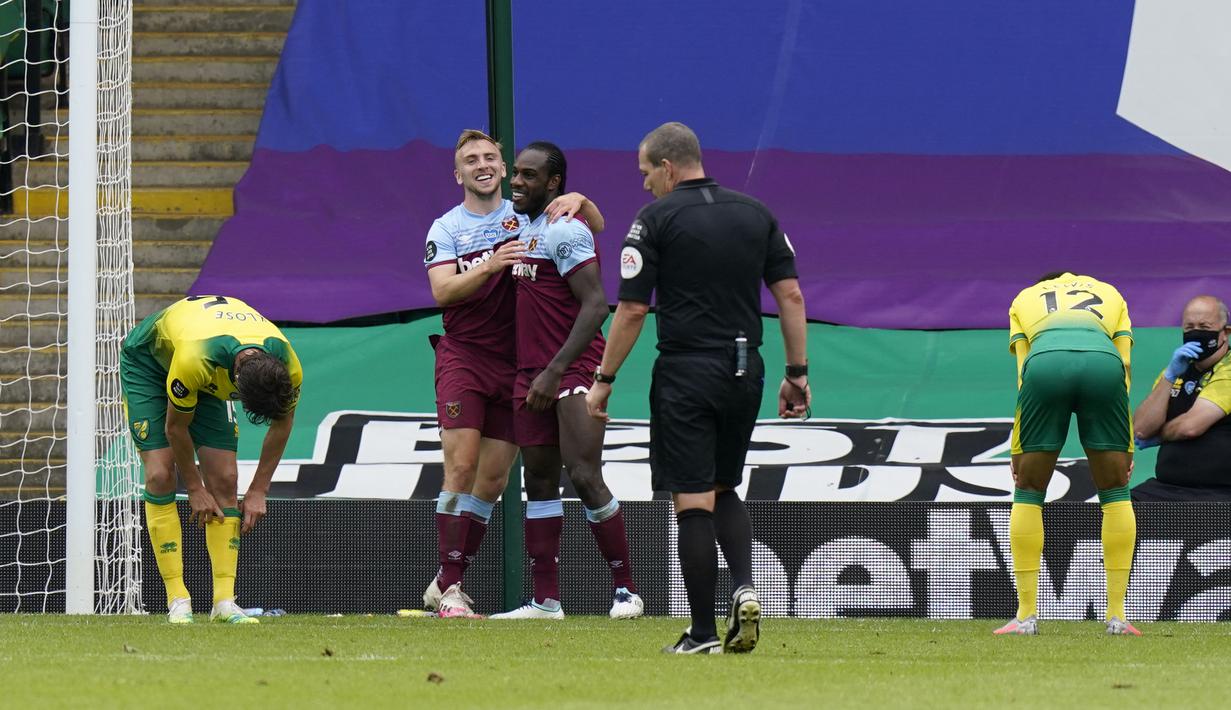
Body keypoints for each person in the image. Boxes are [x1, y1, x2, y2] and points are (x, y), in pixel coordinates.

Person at [585, 122, 810, 654]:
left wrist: (604, 379)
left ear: (667, 167)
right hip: (745, 369)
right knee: (725, 484)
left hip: (687, 371)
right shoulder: (757, 215)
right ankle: (745, 587)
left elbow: (634, 308)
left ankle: (703, 632)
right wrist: (796, 373)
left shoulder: (654, 220)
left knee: (692, 501)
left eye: (645, 173)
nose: (643, 185)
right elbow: (793, 296)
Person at [422, 129, 606, 617]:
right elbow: (442, 292)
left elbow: (595, 227)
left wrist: (581, 200)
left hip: (518, 362)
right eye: (470, 160)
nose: (482, 165)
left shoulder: (526, 213)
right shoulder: (446, 228)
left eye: (490, 158)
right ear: (457, 173)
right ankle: (454, 590)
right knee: (460, 466)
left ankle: (445, 579)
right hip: (464, 355)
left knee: (495, 479)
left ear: (504, 170)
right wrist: (490, 265)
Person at [487, 142, 643, 621]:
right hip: (528, 373)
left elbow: (597, 305)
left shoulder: (565, 229)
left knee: (583, 473)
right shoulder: (520, 226)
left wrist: (555, 371)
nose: (516, 181)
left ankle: (626, 592)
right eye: (515, 172)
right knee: (538, 481)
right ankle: (546, 601)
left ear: (553, 184)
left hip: (571, 369)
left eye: (529, 176)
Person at [120, 295, 302, 624]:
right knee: (161, 474)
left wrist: (260, 488)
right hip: (149, 363)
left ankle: (224, 603)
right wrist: (193, 487)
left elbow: (282, 423)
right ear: (234, 386)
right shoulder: (196, 360)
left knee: (225, 479)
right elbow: (176, 428)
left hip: (205, 369)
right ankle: (178, 600)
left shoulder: (288, 365)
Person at [994, 272, 1139, 637]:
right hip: (1103, 363)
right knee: (1116, 491)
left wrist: (1018, 447)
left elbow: (1023, 375)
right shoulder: (1111, 292)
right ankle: (1118, 617)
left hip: (1046, 363)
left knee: (1028, 490)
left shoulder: (1025, 296)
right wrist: (1126, 445)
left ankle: (1025, 617)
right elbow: (1124, 368)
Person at [1131, 296, 1231, 501]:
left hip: (1220, 492)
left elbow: (1190, 427)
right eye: (1189, 327)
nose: (1196, 332)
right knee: (1115, 515)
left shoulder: (1228, 368)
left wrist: (1160, 435)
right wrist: (1169, 376)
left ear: (1226, 333)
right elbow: (1141, 428)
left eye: (1204, 326)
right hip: (1166, 488)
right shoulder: (1175, 370)